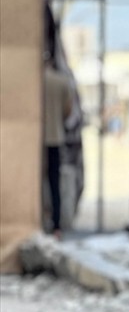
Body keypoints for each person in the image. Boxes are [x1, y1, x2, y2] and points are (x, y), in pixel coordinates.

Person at [43, 58, 75, 238]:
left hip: (36, 140)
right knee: (54, 183)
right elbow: (68, 110)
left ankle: (39, 219)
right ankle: (56, 225)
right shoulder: (62, 82)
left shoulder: (36, 82)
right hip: (55, 137)